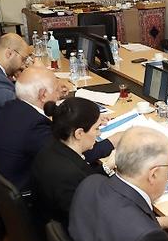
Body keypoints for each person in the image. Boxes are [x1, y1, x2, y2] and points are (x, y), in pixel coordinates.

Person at [0, 68, 115, 190]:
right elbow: (72, 154)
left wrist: (89, 119)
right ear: (43, 95)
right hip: (32, 191)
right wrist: (112, 141)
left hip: (9, 178)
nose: (60, 94)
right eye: (56, 89)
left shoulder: (14, 107)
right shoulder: (35, 127)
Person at [31, 97, 115, 227]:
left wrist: (107, 166)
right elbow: (95, 210)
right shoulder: (69, 174)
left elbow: (86, 177)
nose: (99, 133)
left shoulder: (52, 148)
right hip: (76, 230)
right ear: (79, 133)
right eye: (96, 128)